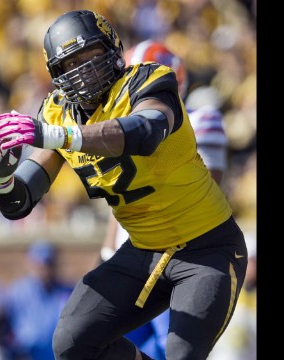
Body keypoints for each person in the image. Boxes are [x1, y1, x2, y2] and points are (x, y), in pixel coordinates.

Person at [0, 10, 247, 360]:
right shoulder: (58, 113)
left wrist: (56, 136)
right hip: (144, 250)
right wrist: (1, 178)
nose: (85, 69)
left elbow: (145, 131)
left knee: (183, 354)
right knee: (72, 341)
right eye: (71, 63)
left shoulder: (150, 79)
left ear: (113, 48)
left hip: (207, 246)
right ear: (56, 75)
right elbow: (20, 202)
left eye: (91, 55)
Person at [99, 40, 230, 360]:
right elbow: (119, 201)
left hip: (170, 259)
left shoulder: (202, 121)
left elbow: (203, 194)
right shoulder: (124, 128)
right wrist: (105, 253)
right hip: (129, 260)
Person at [0, 241, 73, 360]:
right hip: (24, 354)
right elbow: (5, 328)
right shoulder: (16, 292)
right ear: (30, 263)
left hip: (56, 354)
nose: (42, 268)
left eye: (47, 263)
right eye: (38, 263)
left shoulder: (68, 292)